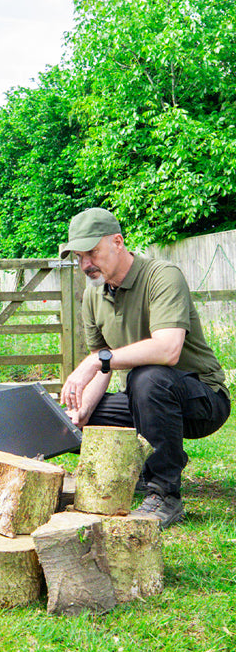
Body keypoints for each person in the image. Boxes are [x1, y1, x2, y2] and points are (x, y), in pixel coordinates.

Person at [58, 207, 230, 527]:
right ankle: (138, 471)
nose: (85, 264)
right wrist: (79, 414)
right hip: (147, 399)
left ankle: (165, 492)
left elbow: (168, 349)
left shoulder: (162, 276)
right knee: (76, 410)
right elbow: (103, 368)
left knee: (147, 376)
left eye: (92, 253)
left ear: (118, 242)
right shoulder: (94, 296)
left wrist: (96, 360)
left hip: (202, 399)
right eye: (79, 257)